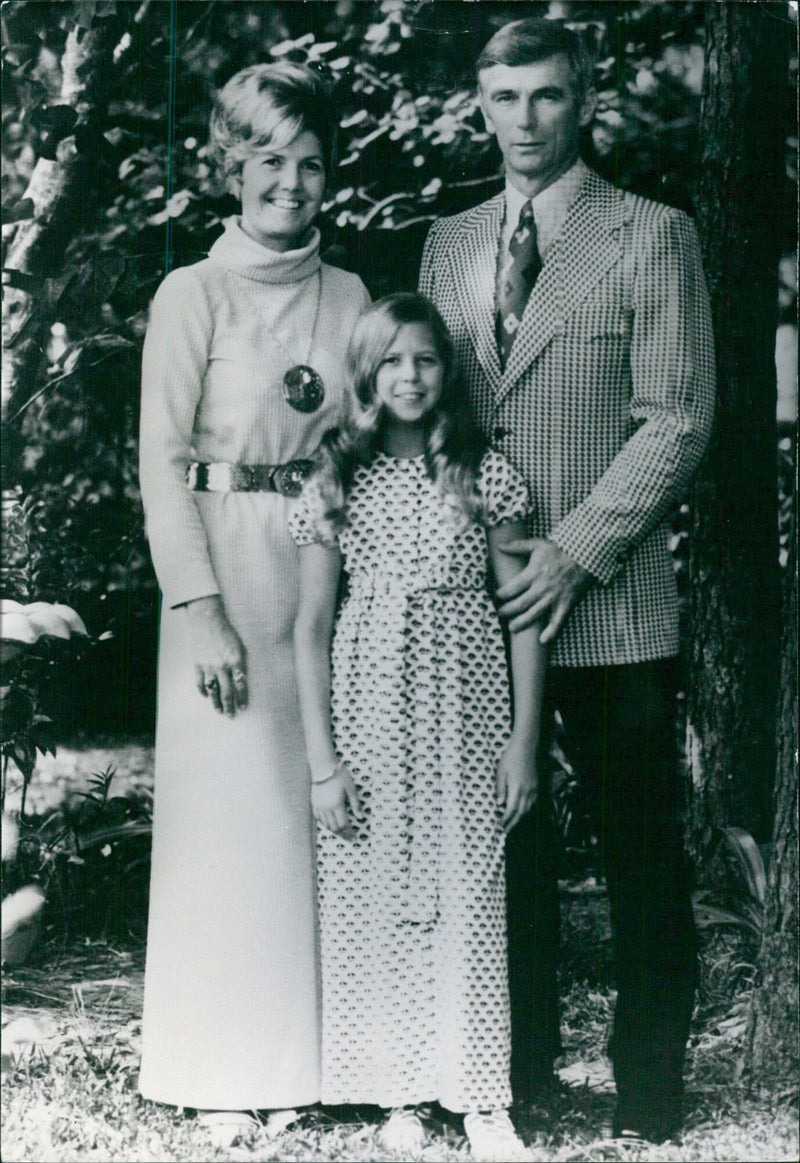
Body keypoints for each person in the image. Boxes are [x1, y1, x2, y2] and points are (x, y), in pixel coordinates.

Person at [419, 17, 715, 1144]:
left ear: (582, 100)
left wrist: (574, 548)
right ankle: (516, 1072)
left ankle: (647, 1086)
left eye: (546, 96)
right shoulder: (446, 243)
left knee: (639, 843)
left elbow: (677, 417)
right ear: (479, 106)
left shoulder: (649, 233)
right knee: (501, 847)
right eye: (503, 98)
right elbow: (433, 411)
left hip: (610, 599)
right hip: (472, 604)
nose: (525, 121)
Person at [137, 61, 370, 1142]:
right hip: (223, 568)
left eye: (310, 161)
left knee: (308, 813)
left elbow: (367, 442)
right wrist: (199, 607)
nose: (291, 181)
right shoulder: (193, 292)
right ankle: (215, 1060)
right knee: (228, 820)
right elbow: (160, 461)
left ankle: (305, 1059)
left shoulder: (350, 294)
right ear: (231, 164)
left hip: (323, 566)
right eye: (269, 159)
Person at [290, 293, 546, 1163]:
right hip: (368, 707)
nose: (409, 375)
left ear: (447, 371)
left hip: (469, 710)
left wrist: (523, 740)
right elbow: (308, 629)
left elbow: (519, 615)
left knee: (469, 895)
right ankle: (399, 1092)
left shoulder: (486, 471)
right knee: (377, 894)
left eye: (425, 360)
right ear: (366, 372)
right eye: (392, 360)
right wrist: (324, 763)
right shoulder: (335, 476)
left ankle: (481, 1099)